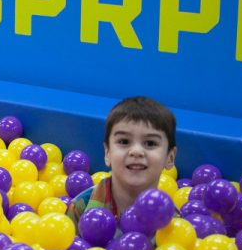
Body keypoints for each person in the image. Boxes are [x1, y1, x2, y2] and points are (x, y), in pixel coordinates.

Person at [67, 96, 177, 224]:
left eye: (150, 143)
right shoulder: (80, 209)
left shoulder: (172, 222)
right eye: (124, 141)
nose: (136, 151)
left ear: (170, 157)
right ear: (107, 153)